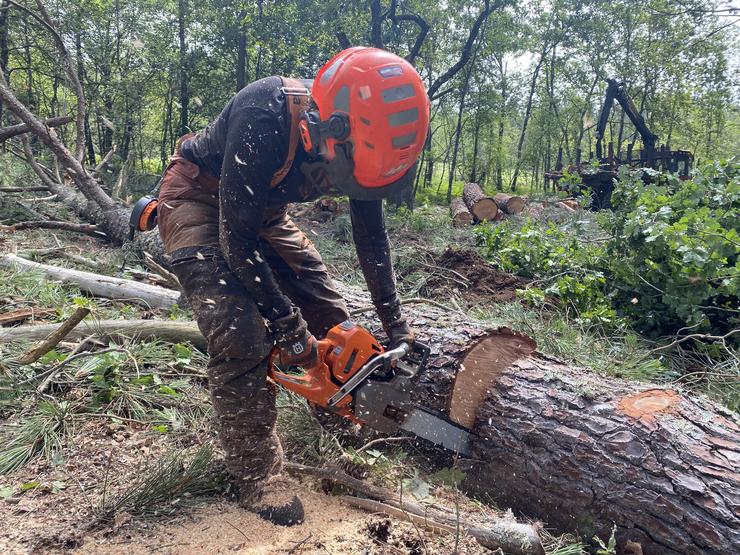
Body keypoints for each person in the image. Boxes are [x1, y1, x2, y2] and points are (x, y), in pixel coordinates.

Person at [156, 47, 430, 525]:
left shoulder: (370, 145)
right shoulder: (266, 112)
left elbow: (372, 239)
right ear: (328, 127)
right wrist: (287, 326)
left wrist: (396, 326)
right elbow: (236, 242)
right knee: (243, 337)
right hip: (200, 201)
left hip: (263, 214)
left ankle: (345, 417)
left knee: (332, 318)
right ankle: (258, 473)